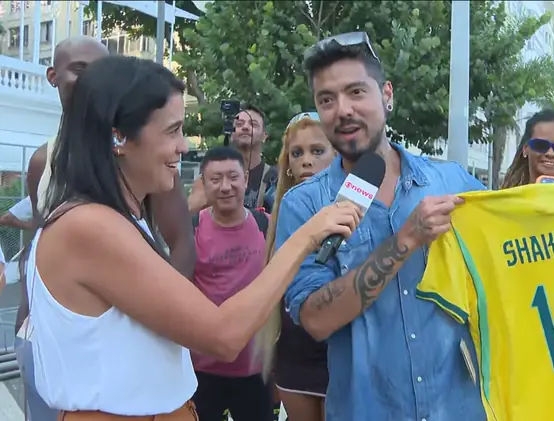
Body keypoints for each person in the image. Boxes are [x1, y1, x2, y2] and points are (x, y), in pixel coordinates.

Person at [274, 32, 554, 421]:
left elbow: (521, 238)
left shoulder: (451, 182)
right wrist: (405, 240)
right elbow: (315, 319)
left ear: (387, 95)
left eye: (356, 92)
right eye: (326, 99)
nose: (342, 110)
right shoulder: (304, 206)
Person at [23, 55, 361, 420]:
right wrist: (307, 236)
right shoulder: (89, 227)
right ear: (118, 136)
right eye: (172, 131)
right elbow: (224, 335)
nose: (184, 146)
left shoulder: (114, 220)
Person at [17, 36, 193, 421]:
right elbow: (40, 241)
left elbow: (181, 240)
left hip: (129, 363)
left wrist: (171, 314)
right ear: (53, 76)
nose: (91, 80)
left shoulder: (145, 160)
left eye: (101, 70)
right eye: (80, 70)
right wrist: (33, 315)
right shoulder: (43, 161)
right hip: (50, 344)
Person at [257, 112, 337, 421]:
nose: (306, 161)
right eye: (297, 153)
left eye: (317, 151)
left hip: (342, 352)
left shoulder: (360, 212)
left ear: (337, 155)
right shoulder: (281, 216)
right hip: (294, 354)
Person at [191, 147, 275, 421]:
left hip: (255, 369)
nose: (225, 187)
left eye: (233, 177)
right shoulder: (191, 229)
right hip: (202, 369)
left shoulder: (267, 226)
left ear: (246, 179)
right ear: (204, 183)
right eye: (215, 179)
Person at [188, 106, 278, 214]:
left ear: (264, 136)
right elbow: (189, 214)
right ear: (231, 133)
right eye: (239, 124)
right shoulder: (210, 176)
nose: (245, 127)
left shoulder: (274, 178)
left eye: (253, 124)